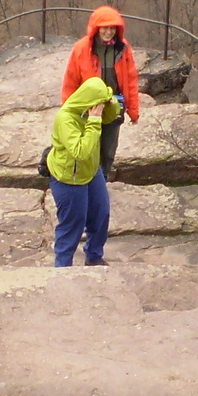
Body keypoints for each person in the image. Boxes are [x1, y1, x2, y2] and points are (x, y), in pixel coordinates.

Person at [47, 76, 121, 267]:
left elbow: (112, 117)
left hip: (90, 171)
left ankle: (94, 257)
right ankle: (62, 268)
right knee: (72, 225)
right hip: (69, 178)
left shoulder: (90, 110)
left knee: (100, 214)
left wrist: (109, 103)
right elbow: (81, 151)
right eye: (99, 103)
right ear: (90, 103)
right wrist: (95, 121)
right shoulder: (65, 119)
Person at [61, 5, 141, 180]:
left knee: (108, 150)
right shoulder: (82, 49)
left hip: (114, 105)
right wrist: (68, 110)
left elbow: (131, 79)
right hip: (90, 107)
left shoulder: (123, 48)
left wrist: (133, 110)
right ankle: (89, 182)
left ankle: (101, 181)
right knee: (89, 147)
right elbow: (71, 80)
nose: (109, 32)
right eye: (105, 27)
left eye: (113, 28)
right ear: (96, 28)